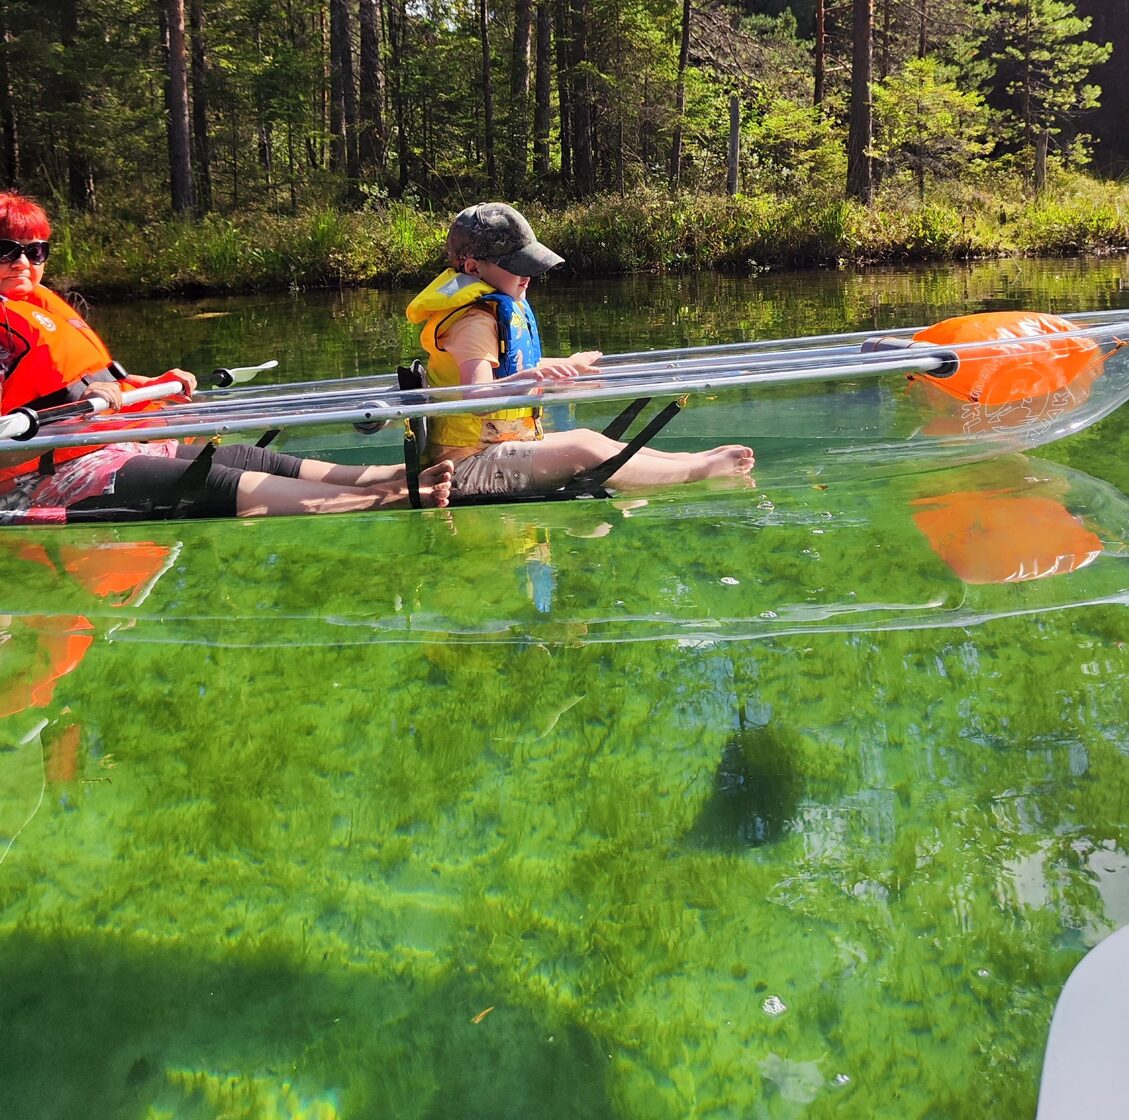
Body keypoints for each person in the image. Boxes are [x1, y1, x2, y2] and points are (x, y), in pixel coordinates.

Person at [0, 191, 452, 520]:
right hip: (34, 478)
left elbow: (70, 380)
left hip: (101, 445)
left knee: (234, 456)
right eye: (7, 250)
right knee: (205, 481)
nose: (23, 262)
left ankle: (385, 474)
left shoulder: (33, 311)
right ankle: (388, 497)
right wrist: (75, 414)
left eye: (34, 250)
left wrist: (138, 386)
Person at [405, 202, 754, 498]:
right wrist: (531, 377)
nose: (528, 276)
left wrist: (564, 366)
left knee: (588, 437)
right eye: (517, 267)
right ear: (472, 268)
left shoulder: (486, 315)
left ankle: (686, 460)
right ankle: (700, 471)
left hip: (489, 452)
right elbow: (477, 395)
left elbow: (505, 365)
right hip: (462, 469)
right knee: (585, 450)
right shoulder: (474, 321)